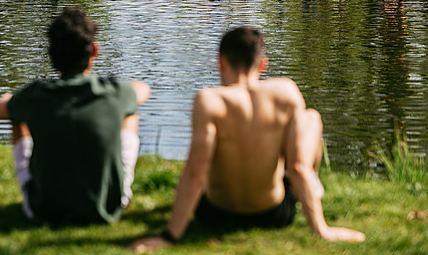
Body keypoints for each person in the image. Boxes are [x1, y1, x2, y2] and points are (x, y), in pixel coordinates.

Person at [130, 27, 366, 252]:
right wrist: (321, 229)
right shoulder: (285, 92)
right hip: (273, 213)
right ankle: (311, 188)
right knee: (311, 118)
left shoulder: (210, 101)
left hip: (215, 213)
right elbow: (297, 166)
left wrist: (169, 237)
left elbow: (195, 174)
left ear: (220, 62)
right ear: (262, 65)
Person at [0, 7, 151, 226]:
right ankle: (119, 187)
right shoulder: (115, 92)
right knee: (129, 114)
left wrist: (10, 98)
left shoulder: (35, 95)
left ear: (51, 54)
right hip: (106, 206)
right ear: (94, 50)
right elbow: (143, 89)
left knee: (16, 115)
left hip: (44, 209)